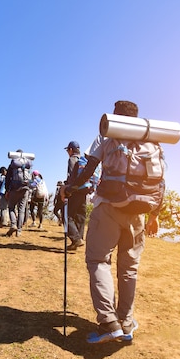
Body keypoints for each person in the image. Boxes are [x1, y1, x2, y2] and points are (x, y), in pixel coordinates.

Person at [62, 100, 161, 344]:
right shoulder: (150, 140)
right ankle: (126, 323)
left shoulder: (106, 136)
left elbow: (88, 169)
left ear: (114, 116)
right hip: (138, 211)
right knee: (129, 267)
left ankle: (108, 322)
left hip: (108, 207)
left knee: (98, 260)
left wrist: (70, 188)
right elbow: (160, 181)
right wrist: (155, 215)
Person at [63, 141, 87, 250]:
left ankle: (76, 239)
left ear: (71, 150)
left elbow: (71, 175)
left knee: (67, 216)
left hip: (75, 190)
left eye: (68, 150)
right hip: (84, 189)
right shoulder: (84, 160)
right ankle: (78, 240)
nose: (67, 152)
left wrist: (68, 189)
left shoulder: (72, 159)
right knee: (80, 216)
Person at [4, 149, 33, 237]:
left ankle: (13, 224)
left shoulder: (13, 165)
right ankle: (19, 231)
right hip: (25, 188)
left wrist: (7, 190)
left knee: (11, 207)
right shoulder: (27, 165)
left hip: (14, 189)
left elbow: (8, 178)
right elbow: (30, 178)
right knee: (21, 210)